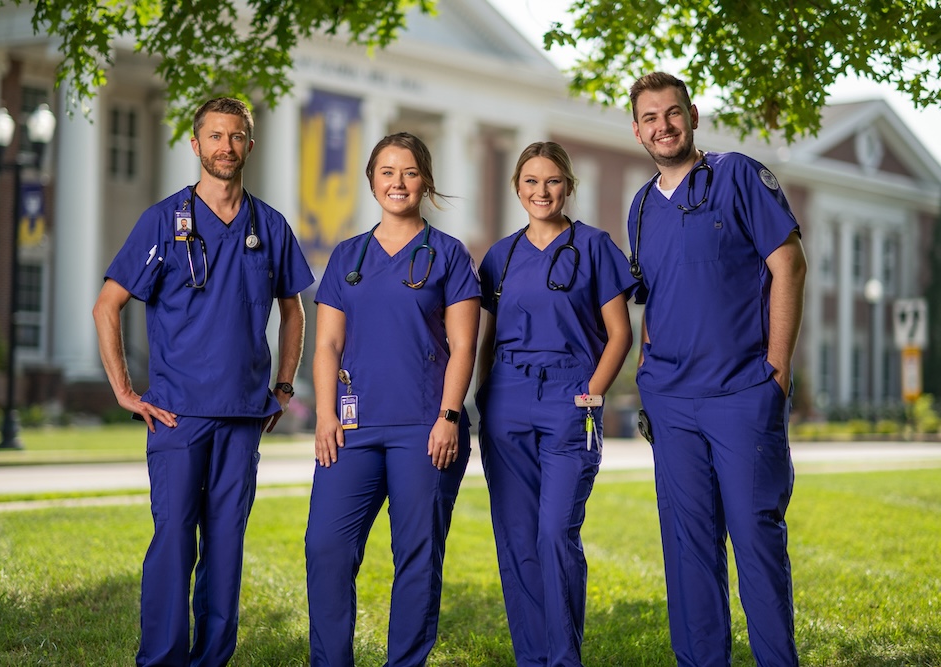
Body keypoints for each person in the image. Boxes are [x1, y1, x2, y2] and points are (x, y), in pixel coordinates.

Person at [92, 97, 314, 667]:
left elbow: (294, 310)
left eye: (236, 137)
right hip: (177, 414)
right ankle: (163, 658)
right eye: (215, 136)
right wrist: (123, 390)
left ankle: (212, 659)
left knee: (225, 546)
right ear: (196, 145)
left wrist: (284, 387)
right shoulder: (164, 221)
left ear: (249, 145)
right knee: (173, 542)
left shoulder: (270, 226)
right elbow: (107, 304)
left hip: (243, 416)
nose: (225, 147)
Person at [625, 72, 807, 667]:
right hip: (672, 404)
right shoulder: (642, 206)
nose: (663, 126)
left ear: (693, 114)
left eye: (672, 113)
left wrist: (776, 372)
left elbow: (789, 266)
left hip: (741, 394)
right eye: (650, 118)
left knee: (755, 540)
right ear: (637, 129)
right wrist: (648, 372)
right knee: (688, 548)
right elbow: (654, 298)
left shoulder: (738, 175)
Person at [305, 132, 481, 666]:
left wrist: (450, 416)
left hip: (426, 427)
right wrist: (323, 414)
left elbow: (464, 345)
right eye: (386, 171)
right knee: (326, 548)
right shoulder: (347, 254)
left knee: (417, 557)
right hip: (353, 429)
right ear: (372, 180)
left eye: (408, 172)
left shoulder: (448, 254)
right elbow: (328, 343)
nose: (397, 182)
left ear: (424, 180)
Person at [475, 141, 636, 666]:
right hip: (507, 399)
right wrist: (483, 394)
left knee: (554, 533)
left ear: (568, 186)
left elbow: (619, 334)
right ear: (516, 188)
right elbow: (488, 336)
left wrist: (591, 396)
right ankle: (533, 658)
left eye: (551, 181)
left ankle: (564, 658)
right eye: (530, 182)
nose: (541, 191)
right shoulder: (501, 255)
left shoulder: (594, 246)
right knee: (518, 539)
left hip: (570, 396)